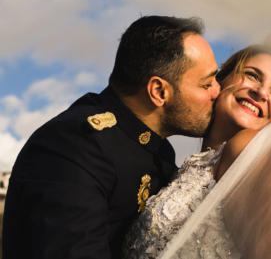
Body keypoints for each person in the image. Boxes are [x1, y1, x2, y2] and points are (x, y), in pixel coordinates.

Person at [2, 15, 221, 259]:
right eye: (206, 84)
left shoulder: (159, 149)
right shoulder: (74, 145)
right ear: (159, 91)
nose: (217, 91)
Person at [123, 36, 271, 259]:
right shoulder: (179, 168)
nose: (263, 93)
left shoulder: (247, 150)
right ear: (219, 82)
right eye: (252, 75)